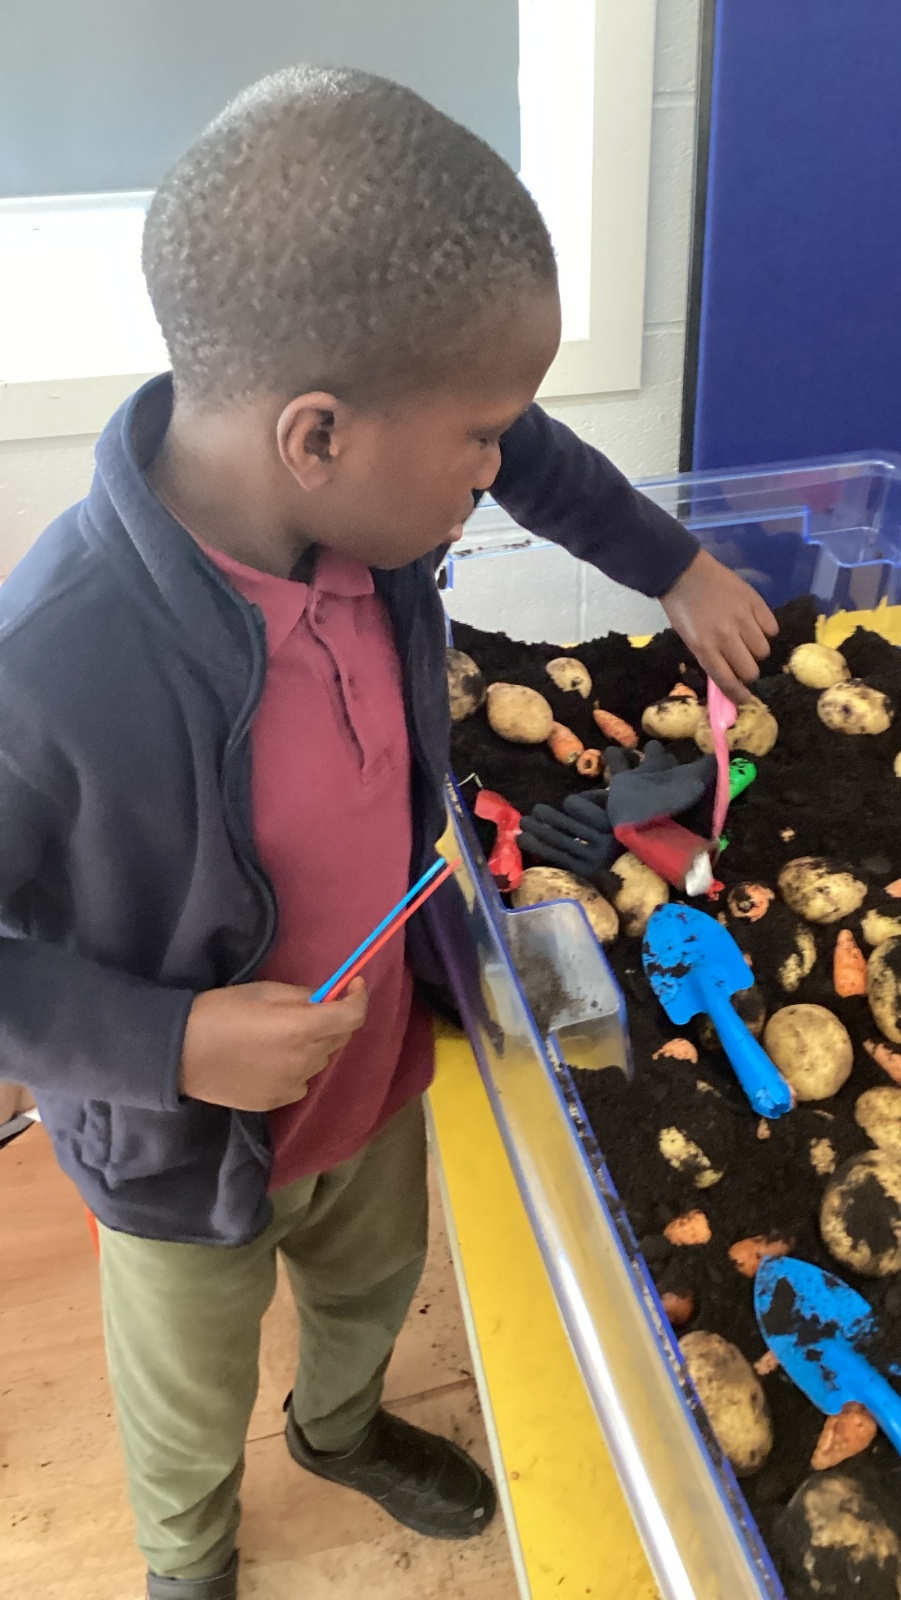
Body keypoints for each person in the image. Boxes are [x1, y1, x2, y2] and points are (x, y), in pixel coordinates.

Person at [0, 67, 777, 1600]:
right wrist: (173, 1044)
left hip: (368, 1076)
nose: (497, 471)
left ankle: (342, 1424)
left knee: (370, 1287)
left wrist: (675, 567)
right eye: (477, 442)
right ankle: (188, 1556)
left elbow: (538, 459)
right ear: (317, 436)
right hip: (183, 1152)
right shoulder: (53, 661)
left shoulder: (358, 493)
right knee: (187, 1392)